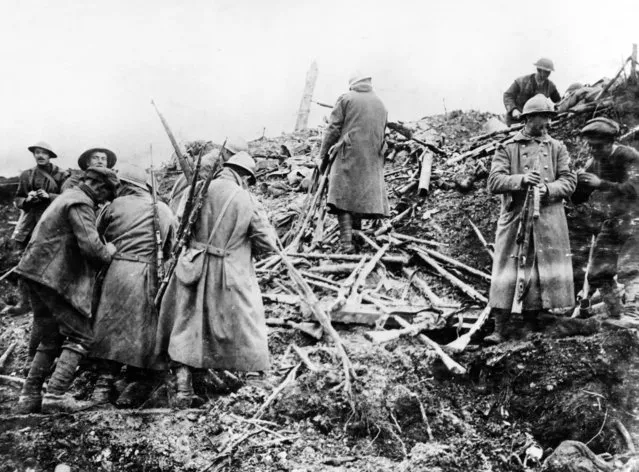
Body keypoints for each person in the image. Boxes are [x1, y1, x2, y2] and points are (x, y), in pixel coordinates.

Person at [156, 151, 276, 408]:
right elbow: (267, 242)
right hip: (230, 270)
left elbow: (180, 227)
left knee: (187, 324)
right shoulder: (246, 199)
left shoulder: (195, 190)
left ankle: (183, 390)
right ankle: (254, 380)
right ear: (244, 175)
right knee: (246, 320)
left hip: (193, 266)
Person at [13, 167, 119, 414]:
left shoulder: (65, 196)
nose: (105, 201)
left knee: (50, 335)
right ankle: (56, 395)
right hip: (50, 277)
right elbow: (93, 250)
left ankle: (28, 396)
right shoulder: (81, 203)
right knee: (81, 335)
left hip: (34, 273)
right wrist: (110, 251)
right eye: (106, 195)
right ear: (99, 187)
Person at [486, 94, 577, 343]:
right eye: (542, 118)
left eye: (549, 118)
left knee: (541, 268)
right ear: (528, 118)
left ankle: (531, 323)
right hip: (516, 217)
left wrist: (548, 189)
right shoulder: (508, 147)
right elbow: (494, 181)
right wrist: (521, 180)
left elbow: (569, 181)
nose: (546, 124)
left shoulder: (557, 148)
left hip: (547, 218)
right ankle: (500, 326)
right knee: (507, 268)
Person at [89, 163, 176, 407]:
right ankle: (137, 381)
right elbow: (171, 248)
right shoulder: (163, 210)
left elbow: (96, 237)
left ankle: (104, 384)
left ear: (125, 186)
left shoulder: (113, 207)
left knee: (108, 325)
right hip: (148, 272)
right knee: (143, 329)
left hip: (115, 272)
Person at [573, 117, 639, 321]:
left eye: (598, 146)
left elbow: (635, 188)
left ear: (611, 143)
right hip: (614, 221)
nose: (593, 151)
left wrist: (601, 183)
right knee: (596, 273)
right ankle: (617, 315)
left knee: (630, 270)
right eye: (590, 146)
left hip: (635, 220)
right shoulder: (594, 163)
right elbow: (579, 197)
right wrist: (574, 181)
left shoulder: (629, 156)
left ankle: (634, 314)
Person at [318, 72, 389, 253]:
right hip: (372, 158)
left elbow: (333, 128)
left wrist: (323, 154)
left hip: (348, 154)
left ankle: (346, 245)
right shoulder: (380, 103)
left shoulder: (346, 98)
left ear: (352, 85)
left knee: (342, 196)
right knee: (360, 197)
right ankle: (357, 239)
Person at [3, 142, 69, 317]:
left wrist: (50, 196)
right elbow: (18, 199)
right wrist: (27, 200)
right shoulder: (27, 175)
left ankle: (54, 304)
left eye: (44, 153)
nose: (40, 156)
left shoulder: (62, 175)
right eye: (37, 153)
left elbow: (68, 198)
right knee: (24, 264)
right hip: (30, 224)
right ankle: (25, 303)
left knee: (53, 263)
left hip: (53, 224)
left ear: (50, 155)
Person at [168, 138, 249, 217]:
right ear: (226, 151)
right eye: (234, 155)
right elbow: (205, 191)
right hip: (182, 199)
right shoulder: (209, 163)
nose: (238, 160)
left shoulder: (224, 159)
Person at [503, 58, 562, 126]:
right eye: (546, 71)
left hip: (535, 122)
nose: (548, 74)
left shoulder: (550, 86)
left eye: (549, 72)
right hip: (516, 120)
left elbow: (558, 101)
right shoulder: (521, 81)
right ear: (539, 70)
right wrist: (513, 110)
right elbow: (507, 95)